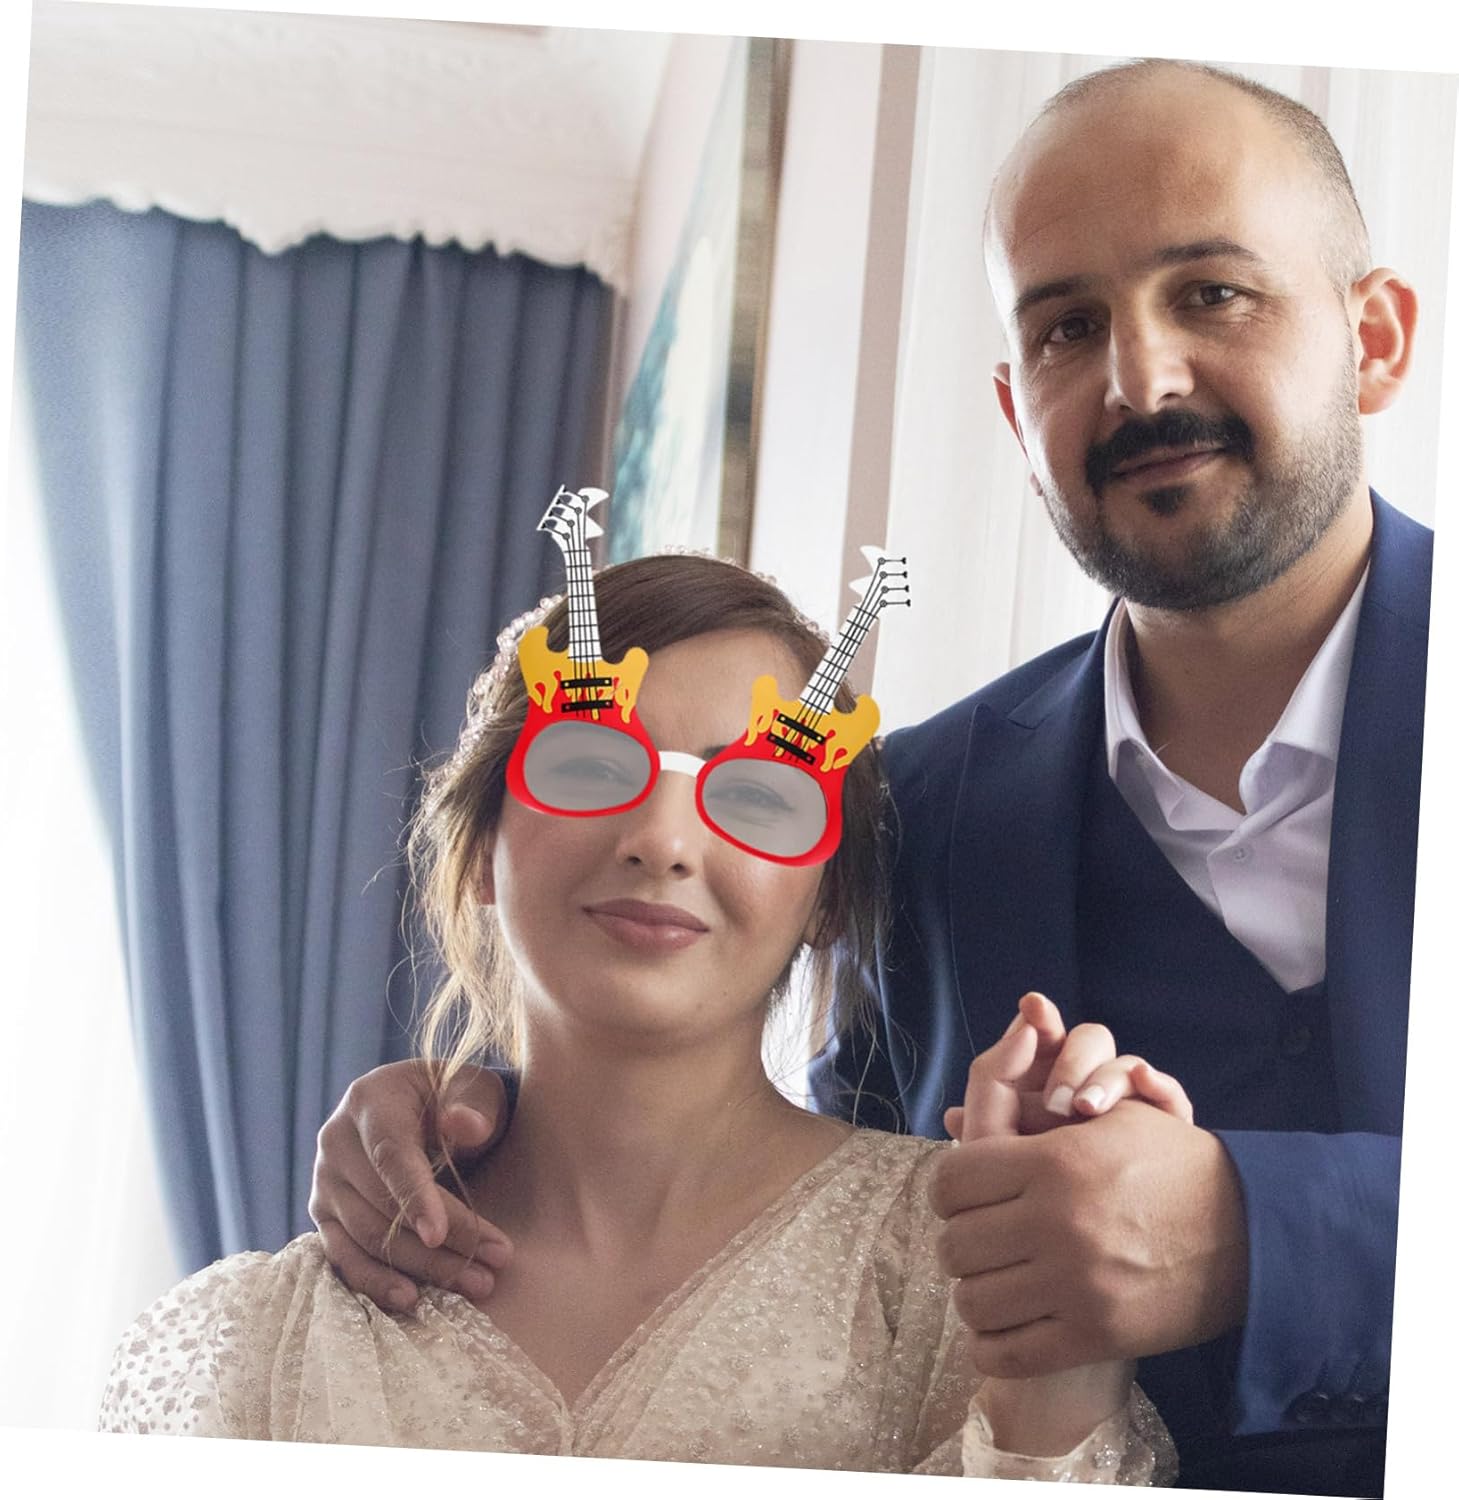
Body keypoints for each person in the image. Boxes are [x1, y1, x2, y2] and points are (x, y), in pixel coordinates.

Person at [306, 59, 1430, 1497]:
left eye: (1211, 293)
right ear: (1016, 412)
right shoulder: (927, 806)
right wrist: (485, 1118)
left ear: (1373, 339)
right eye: (1067, 326)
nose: (1139, 379)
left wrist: (1266, 1238)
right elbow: (810, 1201)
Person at [100, 543, 1179, 1478]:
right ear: (478, 851)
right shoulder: (258, 1347)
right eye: (587, 765)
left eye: (759, 794)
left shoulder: (961, 1271)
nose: (662, 840)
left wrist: (1050, 1394)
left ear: (824, 898)